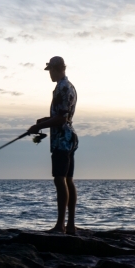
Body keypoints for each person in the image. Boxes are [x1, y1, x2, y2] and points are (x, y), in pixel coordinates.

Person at [28, 56, 78, 234]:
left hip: (62, 140)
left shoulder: (63, 88)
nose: (49, 74)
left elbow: (62, 118)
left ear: (58, 69)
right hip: (68, 137)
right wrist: (44, 120)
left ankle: (60, 226)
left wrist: (39, 126)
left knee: (60, 179)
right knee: (68, 180)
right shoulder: (69, 86)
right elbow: (62, 115)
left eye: (51, 70)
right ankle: (70, 225)